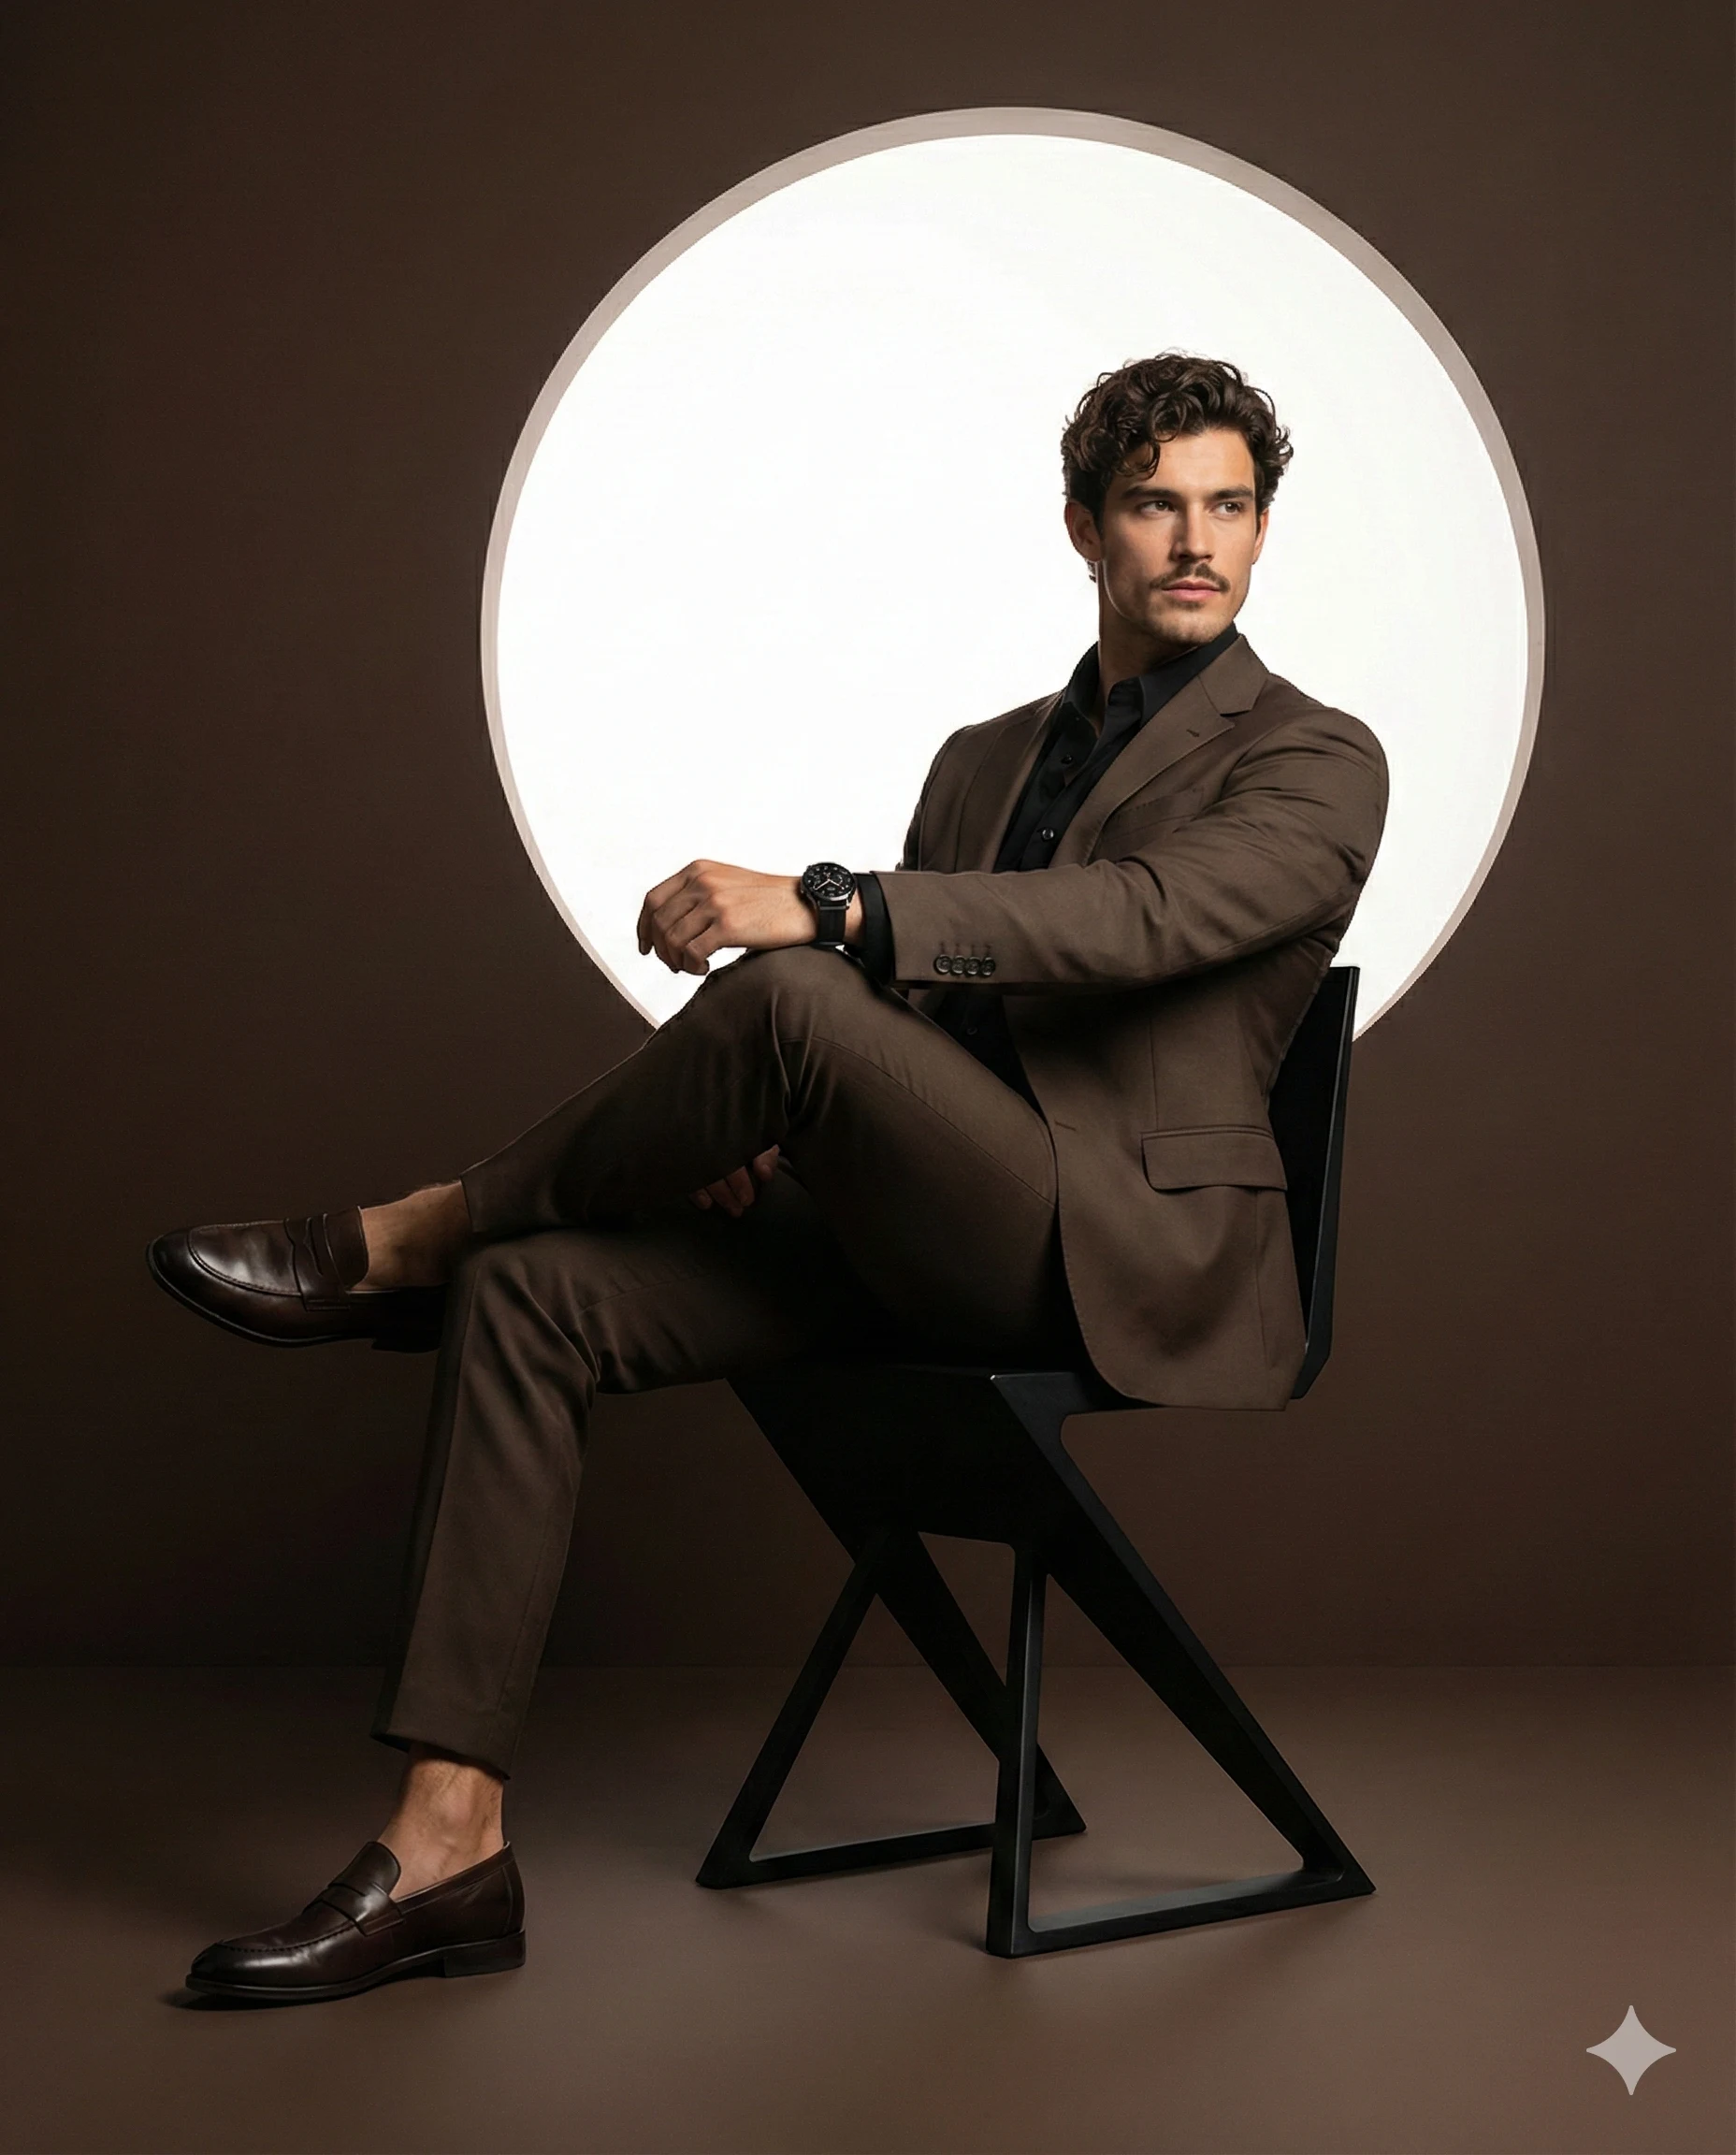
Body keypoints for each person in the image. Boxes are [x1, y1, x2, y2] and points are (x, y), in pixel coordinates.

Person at [151, 353, 1388, 2003]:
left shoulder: (1317, 757)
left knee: (789, 985)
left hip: (1105, 1254)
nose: (1195, 542)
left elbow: (1143, 920)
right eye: (1157, 503)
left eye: (1230, 507)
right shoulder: (983, 756)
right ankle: (449, 1842)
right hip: (911, 1222)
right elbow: (907, 1019)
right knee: (536, 1297)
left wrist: (836, 903)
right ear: (1085, 525)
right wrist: (762, 1119)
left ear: (1260, 531)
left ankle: (416, 1232)